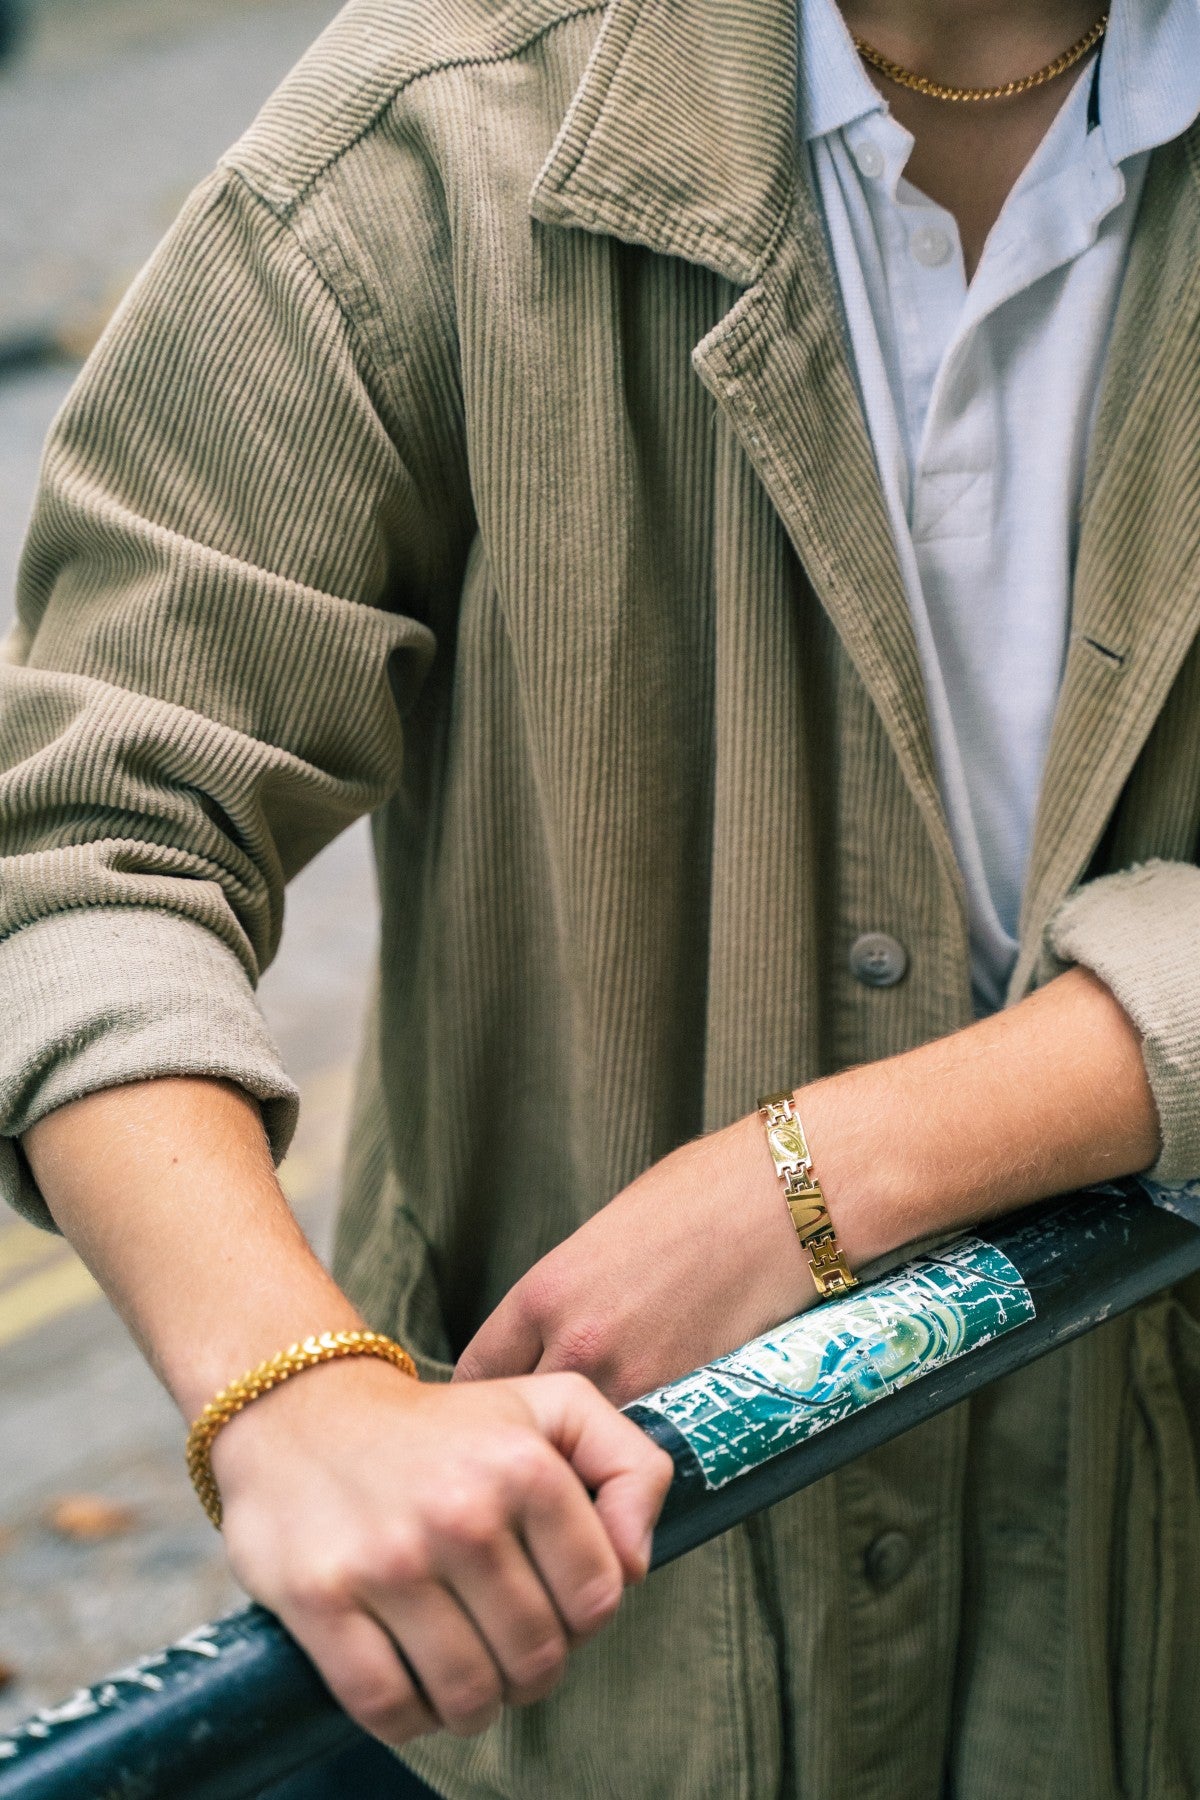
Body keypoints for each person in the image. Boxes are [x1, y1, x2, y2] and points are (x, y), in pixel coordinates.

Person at [3, 0, 1199, 1794]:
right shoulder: (437, 133)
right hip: (606, 1684)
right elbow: (86, 830)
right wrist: (294, 1390)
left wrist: (825, 1170)